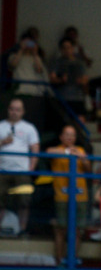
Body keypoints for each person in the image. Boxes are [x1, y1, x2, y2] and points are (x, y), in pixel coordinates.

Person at [47, 125, 90, 266]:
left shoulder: (80, 150)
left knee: (78, 230)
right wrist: (68, 152)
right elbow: (48, 152)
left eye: (72, 135)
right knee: (60, 230)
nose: (70, 137)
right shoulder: (57, 150)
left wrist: (82, 157)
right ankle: (59, 261)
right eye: (67, 134)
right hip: (62, 196)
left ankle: (71, 260)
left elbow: (88, 169)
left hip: (80, 197)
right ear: (61, 137)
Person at [1, 98, 40, 234]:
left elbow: (35, 148)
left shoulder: (29, 128)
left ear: (23, 112)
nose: (14, 112)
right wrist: (3, 142)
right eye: (12, 109)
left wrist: (31, 169)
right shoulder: (1, 126)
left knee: (24, 202)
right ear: (8, 110)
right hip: (2, 171)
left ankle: (22, 230)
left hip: (22, 171)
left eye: (17, 110)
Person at [48, 39, 88, 116]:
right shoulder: (57, 62)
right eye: (64, 48)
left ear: (72, 48)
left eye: (69, 47)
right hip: (62, 98)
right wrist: (61, 80)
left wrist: (82, 82)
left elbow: (85, 80)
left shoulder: (80, 63)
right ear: (61, 49)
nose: (66, 50)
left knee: (79, 120)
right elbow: (52, 79)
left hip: (77, 98)